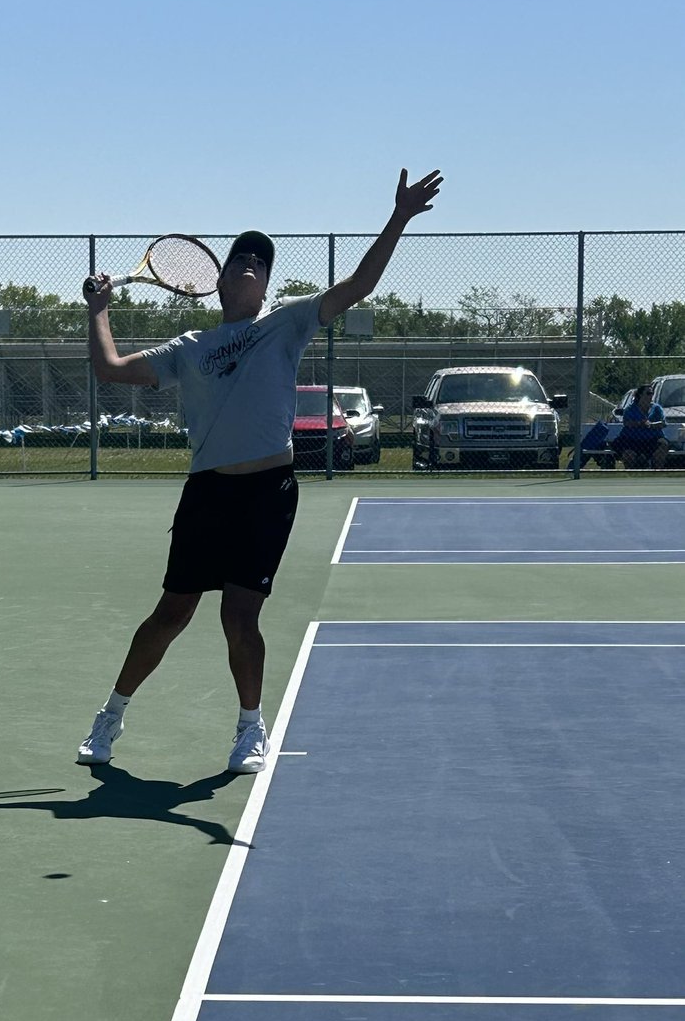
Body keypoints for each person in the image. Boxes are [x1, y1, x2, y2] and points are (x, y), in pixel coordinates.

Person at [77, 166, 443, 774]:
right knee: (172, 612)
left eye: (261, 261)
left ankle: (251, 728)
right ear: (219, 279)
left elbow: (358, 285)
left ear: (267, 283)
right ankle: (110, 716)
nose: (251, 262)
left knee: (239, 615)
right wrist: (98, 309)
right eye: (240, 257)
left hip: (268, 493)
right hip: (208, 492)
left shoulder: (288, 322)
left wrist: (400, 215)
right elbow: (110, 368)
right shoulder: (187, 349)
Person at [613, 383, 669, 470]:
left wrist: (651, 425)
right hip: (632, 440)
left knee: (663, 445)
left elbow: (663, 423)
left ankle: (657, 473)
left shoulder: (656, 408)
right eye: (648, 393)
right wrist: (640, 423)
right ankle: (631, 475)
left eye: (652, 393)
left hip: (652, 440)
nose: (651, 396)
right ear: (640, 395)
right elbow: (626, 423)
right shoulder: (630, 409)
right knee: (629, 455)